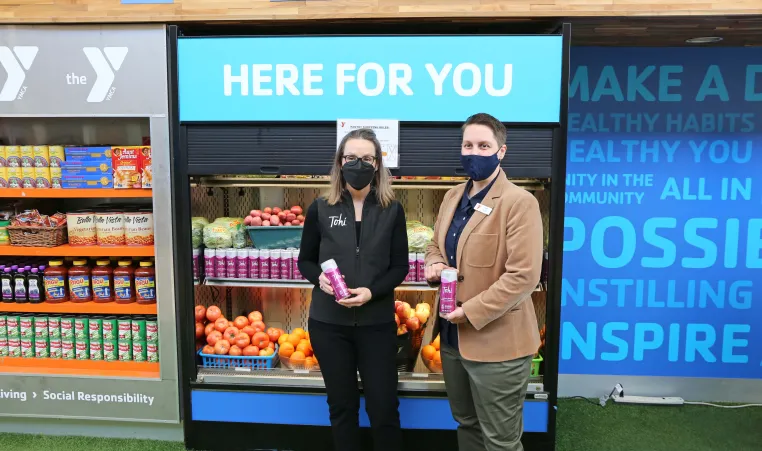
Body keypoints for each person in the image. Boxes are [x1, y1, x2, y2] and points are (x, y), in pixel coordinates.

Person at [424, 113, 543, 451]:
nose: (474, 152)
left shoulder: (520, 203)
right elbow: (435, 246)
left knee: (500, 441)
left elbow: (523, 276)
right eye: (468, 145)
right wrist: (433, 264)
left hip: (498, 345)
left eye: (483, 145)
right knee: (468, 425)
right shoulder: (451, 198)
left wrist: (470, 311)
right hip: (451, 340)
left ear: (501, 151)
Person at [298, 128, 408, 451]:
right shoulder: (321, 208)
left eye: (366, 158)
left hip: (377, 325)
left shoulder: (392, 210)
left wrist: (372, 293)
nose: (357, 164)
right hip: (329, 326)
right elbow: (305, 260)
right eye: (350, 158)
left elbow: (399, 267)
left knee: (384, 409)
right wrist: (318, 277)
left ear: (377, 165)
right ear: (340, 162)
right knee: (343, 409)